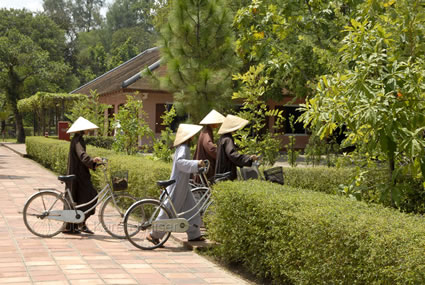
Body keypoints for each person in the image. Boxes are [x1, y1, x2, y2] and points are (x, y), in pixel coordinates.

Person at [147, 123, 206, 244]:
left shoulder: (183, 147)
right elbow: (180, 163)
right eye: (192, 135)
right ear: (188, 136)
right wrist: (196, 163)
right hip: (178, 184)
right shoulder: (184, 147)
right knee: (169, 210)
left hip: (183, 185)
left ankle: (194, 234)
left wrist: (196, 166)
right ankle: (154, 234)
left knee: (192, 209)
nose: (194, 137)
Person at [63, 117, 102, 235]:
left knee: (78, 199)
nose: (88, 130)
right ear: (82, 129)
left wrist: (92, 160)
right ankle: (79, 223)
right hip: (78, 175)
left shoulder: (76, 139)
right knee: (91, 196)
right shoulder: (78, 140)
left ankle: (78, 224)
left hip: (77, 174)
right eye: (87, 129)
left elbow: (82, 156)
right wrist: (92, 162)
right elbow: (82, 155)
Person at [215, 115, 258, 181]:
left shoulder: (223, 138)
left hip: (222, 170)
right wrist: (249, 158)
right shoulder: (228, 139)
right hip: (226, 172)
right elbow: (232, 154)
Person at [193, 109, 225, 182]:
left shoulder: (206, 131)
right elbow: (211, 149)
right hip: (205, 165)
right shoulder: (206, 133)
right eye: (217, 122)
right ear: (212, 123)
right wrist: (222, 155)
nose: (218, 124)